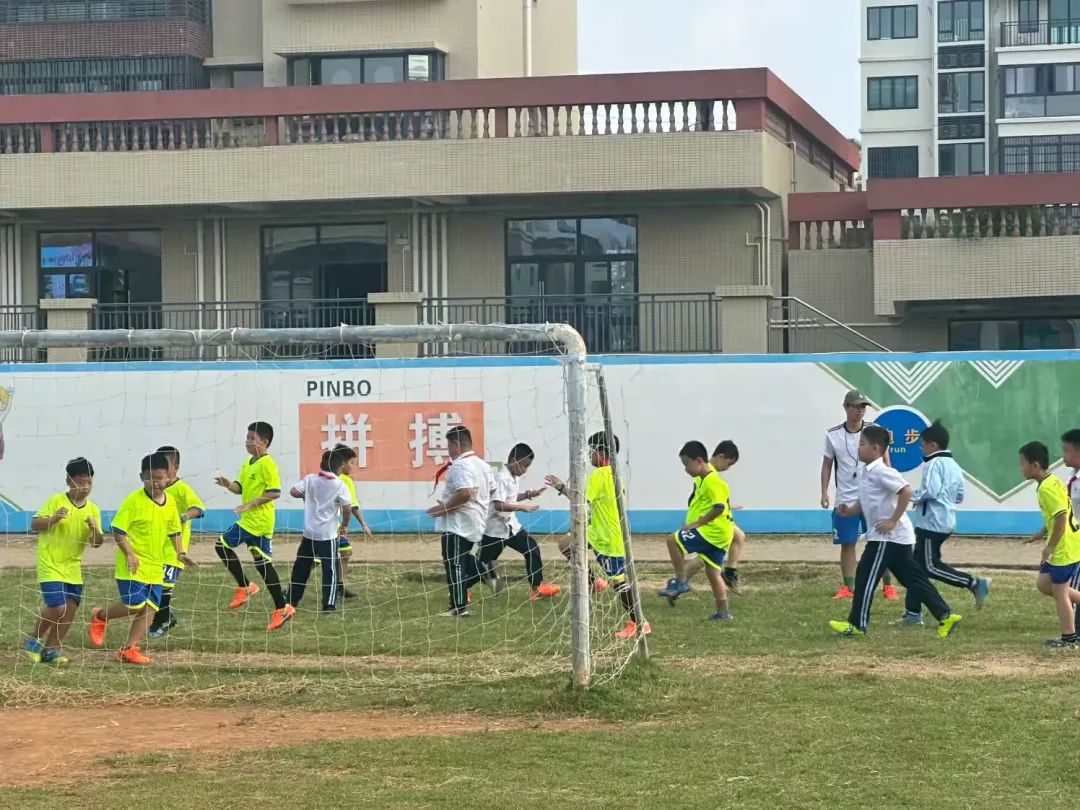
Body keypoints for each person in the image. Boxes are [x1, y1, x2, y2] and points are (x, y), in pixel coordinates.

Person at [828, 425, 962, 639]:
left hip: (887, 537)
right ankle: (946, 615)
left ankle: (857, 625)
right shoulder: (867, 471)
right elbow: (865, 500)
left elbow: (906, 491)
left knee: (865, 576)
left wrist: (892, 520)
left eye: (862, 444)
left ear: (875, 448)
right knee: (913, 580)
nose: (858, 448)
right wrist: (849, 511)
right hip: (897, 538)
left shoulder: (883, 472)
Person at [547, 431, 651, 640]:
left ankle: (640, 623)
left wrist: (561, 487)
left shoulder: (601, 475)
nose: (589, 455)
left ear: (602, 453)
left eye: (591, 451)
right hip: (595, 532)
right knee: (566, 543)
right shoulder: (614, 474)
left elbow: (580, 500)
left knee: (619, 582)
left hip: (608, 538)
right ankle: (594, 581)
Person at [88, 452, 186, 665]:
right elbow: (118, 530)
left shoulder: (170, 503)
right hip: (132, 564)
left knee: (150, 607)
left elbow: (174, 531)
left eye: (159, 478)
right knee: (134, 604)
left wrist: (181, 553)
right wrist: (130, 554)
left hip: (155, 565)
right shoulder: (133, 501)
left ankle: (129, 650)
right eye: (150, 478)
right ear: (142, 477)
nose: (155, 483)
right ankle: (101, 616)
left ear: (169, 477)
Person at [900, 421, 990, 626]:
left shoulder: (932, 463)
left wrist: (913, 496)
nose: (921, 448)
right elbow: (960, 495)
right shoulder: (954, 465)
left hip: (931, 523)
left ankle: (974, 583)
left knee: (929, 567)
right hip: (946, 520)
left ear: (933, 445)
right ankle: (912, 613)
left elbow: (930, 491)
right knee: (916, 569)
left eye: (923, 444)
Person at [213, 421, 294, 632]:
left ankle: (245, 586)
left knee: (221, 545)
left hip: (258, 520)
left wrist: (248, 506)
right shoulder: (248, 463)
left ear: (264, 442)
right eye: (247, 437)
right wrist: (228, 484)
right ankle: (282, 608)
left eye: (252, 438)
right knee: (263, 564)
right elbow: (239, 488)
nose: (247, 442)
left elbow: (274, 492)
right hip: (253, 520)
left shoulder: (268, 464)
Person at [24, 457, 104, 666]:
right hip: (50, 563)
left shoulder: (93, 510)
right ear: (69, 481)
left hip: (72, 567)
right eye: (80, 482)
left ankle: (51, 650)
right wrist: (53, 519)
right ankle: (33, 640)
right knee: (57, 607)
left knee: (69, 611)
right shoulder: (55, 500)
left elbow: (97, 543)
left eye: (89, 482)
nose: (85, 487)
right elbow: (35, 524)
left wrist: (95, 530)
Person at [821, 389, 899, 601]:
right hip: (846, 498)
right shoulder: (833, 435)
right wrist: (824, 491)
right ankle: (848, 587)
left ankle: (888, 586)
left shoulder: (875, 431)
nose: (860, 411)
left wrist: (890, 488)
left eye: (863, 407)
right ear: (846, 407)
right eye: (856, 407)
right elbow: (827, 465)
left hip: (873, 496)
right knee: (847, 543)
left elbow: (886, 461)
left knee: (880, 541)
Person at [659, 441, 735, 621]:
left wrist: (698, 523)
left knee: (672, 540)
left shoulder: (712, 480)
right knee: (712, 572)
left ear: (699, 461)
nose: (685, 469)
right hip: (721, 534)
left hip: (714, 532)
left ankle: (680, 582)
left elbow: (719, 508)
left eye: (687, 464)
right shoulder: (702, 480)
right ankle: (723, 612)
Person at [426, 425, 494, 618]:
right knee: (463, 560)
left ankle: (458, 607)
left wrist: (444, 508)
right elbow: (490, 490)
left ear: (456, 444)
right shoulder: (483, 466)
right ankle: (484, 571)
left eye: (449, 446)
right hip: (475, 522)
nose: (448, 450)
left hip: (458, 523)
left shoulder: (460, 465)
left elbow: (465, 493)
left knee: (454, 563)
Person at [478, 442, 561, 601]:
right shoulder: (501, 478)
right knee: (484, 563)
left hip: (511, 526)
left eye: (528, 466)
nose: (525, 470)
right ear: (513, 460)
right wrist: (522, 508)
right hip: (495, 529)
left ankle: (537, 588)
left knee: (532, 549)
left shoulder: (513, 476)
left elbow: (510, 498)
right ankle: (465, 588)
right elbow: (498, 504)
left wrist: (529, 494)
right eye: (524, 466)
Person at [1019, 441, 1080, 648]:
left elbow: (1061, 517)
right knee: (1044, 584)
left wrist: (1050, 547)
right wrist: (1042, 532)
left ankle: (1069, 639)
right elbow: (1058, 513)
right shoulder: (1052, 481)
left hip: (1064, 548)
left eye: (1023, 463)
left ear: (1035, 465)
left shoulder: (1046, 488)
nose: (1021, 468)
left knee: (1060, 593)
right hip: (1067, 543)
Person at [148, 445, 205, 639]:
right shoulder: (155, 489)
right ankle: (165, 617)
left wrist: (183, 517)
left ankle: (163, 620)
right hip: (155, 546)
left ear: (176, 467)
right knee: (153, 584)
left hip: (175, 548)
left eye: (166, 465)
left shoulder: (181, 488)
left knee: (165, 586)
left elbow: (198, 508)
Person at [288, 446, 353, 612]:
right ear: (340, 467)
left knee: (301, 567)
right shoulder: (340, 485)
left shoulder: (310, 479)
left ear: (321, 464)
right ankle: (328, 604)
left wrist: (307, 495)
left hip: (309, 533)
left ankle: (292, 599)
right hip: (327, 535)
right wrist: (344, 525)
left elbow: (293, 491)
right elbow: (347, 507)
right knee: (329, 570)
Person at [333, 443, 373, 600]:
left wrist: (363, 524)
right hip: (329, 527)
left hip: (334, 526)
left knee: (345, 552)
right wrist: (347, 525)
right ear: (342, 463)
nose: (353, 466)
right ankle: (295, 587)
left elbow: (353, 505)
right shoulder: (338, 479)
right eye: (351, 463)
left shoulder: (344, 480)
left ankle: (340, 586)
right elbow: (350, 507)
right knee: (315, 560)